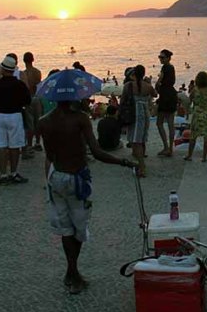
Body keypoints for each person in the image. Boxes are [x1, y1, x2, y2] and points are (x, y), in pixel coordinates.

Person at [38, 98, 137, 295]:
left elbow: (50, 155)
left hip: (56, 177)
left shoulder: (44, 121)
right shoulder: (80, 119)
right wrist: (123, 162)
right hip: (77, 178)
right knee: (78, 228)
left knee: (66, 229)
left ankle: (71, 272)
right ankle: (74, 275)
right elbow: (97, 152)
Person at [0, 55, 31, 185]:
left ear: (2, 69)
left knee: (1, 146)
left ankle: (3, 174)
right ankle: (14, 172)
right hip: (15, 115)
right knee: (15, 145)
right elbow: (27, 101)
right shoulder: (19, 84)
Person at [124, 65, 157, 174]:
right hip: (145, 113)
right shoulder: (147, 86)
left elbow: (123, 100)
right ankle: (140, 159)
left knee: (135, 141)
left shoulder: (129, 85)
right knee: (141, 139)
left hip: (134, 114)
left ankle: (142, 166)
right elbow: (155, 94)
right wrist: (149, 83)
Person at [185, 71, 207, 162]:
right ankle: (204, 157)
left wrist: (188, 111)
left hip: (197, 114)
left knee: (193, 136)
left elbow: (189, 101)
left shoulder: (195, 90)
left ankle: (189, 155)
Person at [155, 50, 178, 157]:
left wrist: (157, 85)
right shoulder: (172, 68)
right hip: (172, 94)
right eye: (160, 57)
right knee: (170, 123)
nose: (160, 59)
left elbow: (159, 81)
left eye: (162, 57)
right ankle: (170, 148)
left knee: (159, 122)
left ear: (168, 58)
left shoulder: (165, 68)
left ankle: (166, 147)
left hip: (165, 96)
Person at [22, 52, 43, 154]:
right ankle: (38, 142)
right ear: (33, 59)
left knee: (29, 123)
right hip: (36, 97)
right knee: (37, 120)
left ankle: (29, 144)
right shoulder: (37, 72)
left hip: (28, 99)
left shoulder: (23, 74)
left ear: (24, 60)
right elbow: (38, 86)